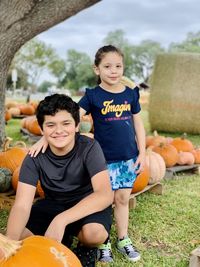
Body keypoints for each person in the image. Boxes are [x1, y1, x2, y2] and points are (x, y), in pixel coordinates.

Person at [29, 45, 146, 263]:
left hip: (127, 158)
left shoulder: (131, 94)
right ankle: (103, 243)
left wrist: (143, 152)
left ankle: (123, 239)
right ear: (96, 69)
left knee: (122, 198)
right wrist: (45, 137)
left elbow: (138, 124)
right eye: (107, 66)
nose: (114, 71)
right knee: (104, 200)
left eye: (118, 66)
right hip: (102, 161)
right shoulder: (93, 96)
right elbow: (69, 119)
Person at [6, 94, 113, 267]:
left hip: (86, 204)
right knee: (20, 236)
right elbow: (21, 205)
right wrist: (9, 244)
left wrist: (61, 220)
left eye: (66, 123)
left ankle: (84, 247)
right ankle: (61, 241)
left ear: (77, 125)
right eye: (50, 125)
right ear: (41, 129)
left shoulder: (89, 147)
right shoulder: (34, 158)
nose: (59, 130)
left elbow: (105, 195)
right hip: (53, 203)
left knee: (95, 234)